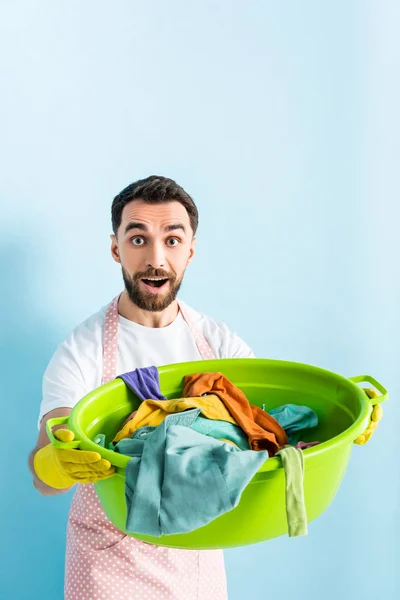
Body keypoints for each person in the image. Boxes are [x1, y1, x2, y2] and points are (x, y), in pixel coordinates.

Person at [28, 175, 255, 600]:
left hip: (198, 563)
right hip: (110, 564)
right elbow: (45, 471)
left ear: (191, 250)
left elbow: (269, 426)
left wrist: (342, 425)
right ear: (115, 248)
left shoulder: (220, 346)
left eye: (171, 240)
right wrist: (57, 463)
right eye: (138, 239)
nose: (156, 258)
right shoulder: (82, 349)